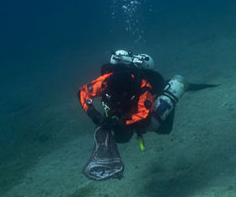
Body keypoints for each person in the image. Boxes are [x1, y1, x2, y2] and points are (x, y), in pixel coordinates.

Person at [77, 50, 185, 180]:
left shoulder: (143, 88)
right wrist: (94, 114)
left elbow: (143, 116)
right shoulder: (105, 81)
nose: (116, 95)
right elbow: (83, 93)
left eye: (120, 93)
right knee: (122, 138)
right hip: (119, 113)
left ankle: (171, 89)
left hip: (132, 115)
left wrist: (121, 122)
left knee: (163, 129)